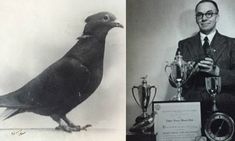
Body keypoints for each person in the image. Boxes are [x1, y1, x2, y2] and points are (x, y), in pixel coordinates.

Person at [171, 0, 235, 120]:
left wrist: (216, 71)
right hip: (191, 110)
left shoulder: (232, 44)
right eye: (199, 15)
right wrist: (185, 71)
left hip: (225, 108)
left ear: (217, 16)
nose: (204, 18)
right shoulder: (184, 45)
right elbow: (174, 81)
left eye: (209, 13)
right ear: (196, 18)